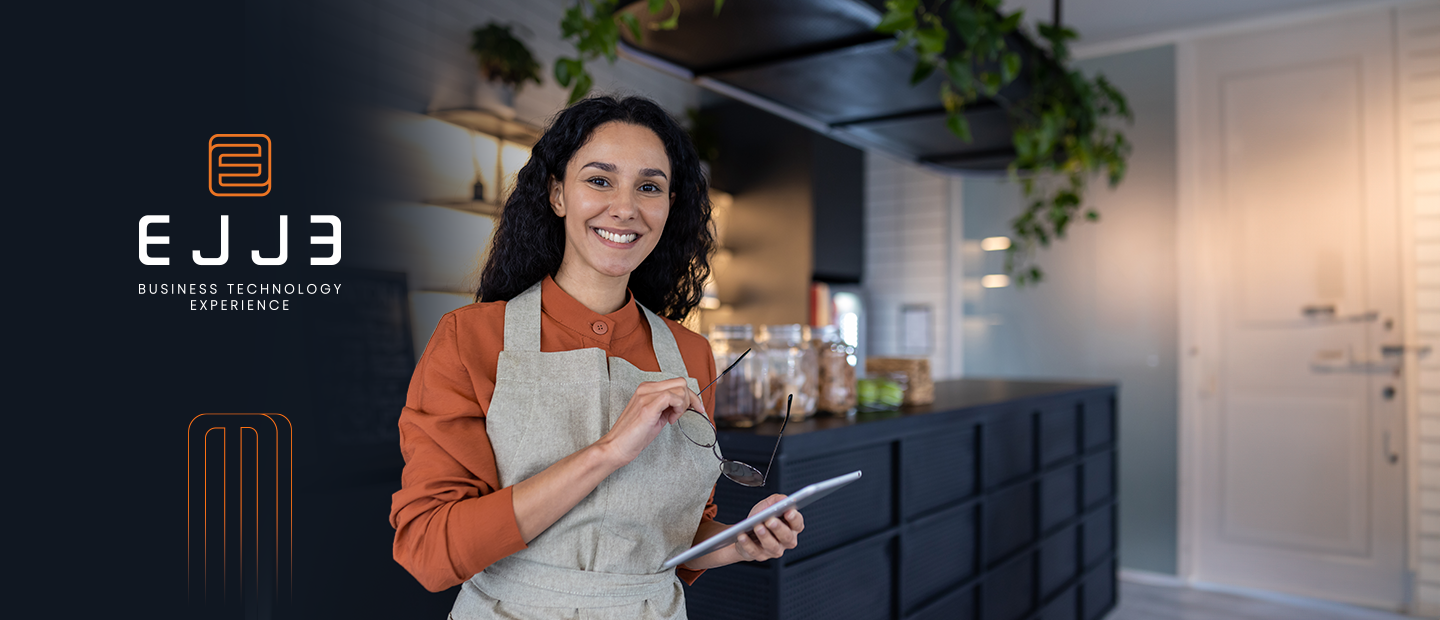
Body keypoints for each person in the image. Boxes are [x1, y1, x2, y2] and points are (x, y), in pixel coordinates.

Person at [389, 95, 805, 619]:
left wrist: (739, 542)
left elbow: (673, 534)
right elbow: (428, 549)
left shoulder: (691, 354)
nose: (625, 207)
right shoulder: (471, 338)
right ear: (558, 193)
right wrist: (606, 452)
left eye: (649, 187)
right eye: (600, 180)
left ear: (669, 206)